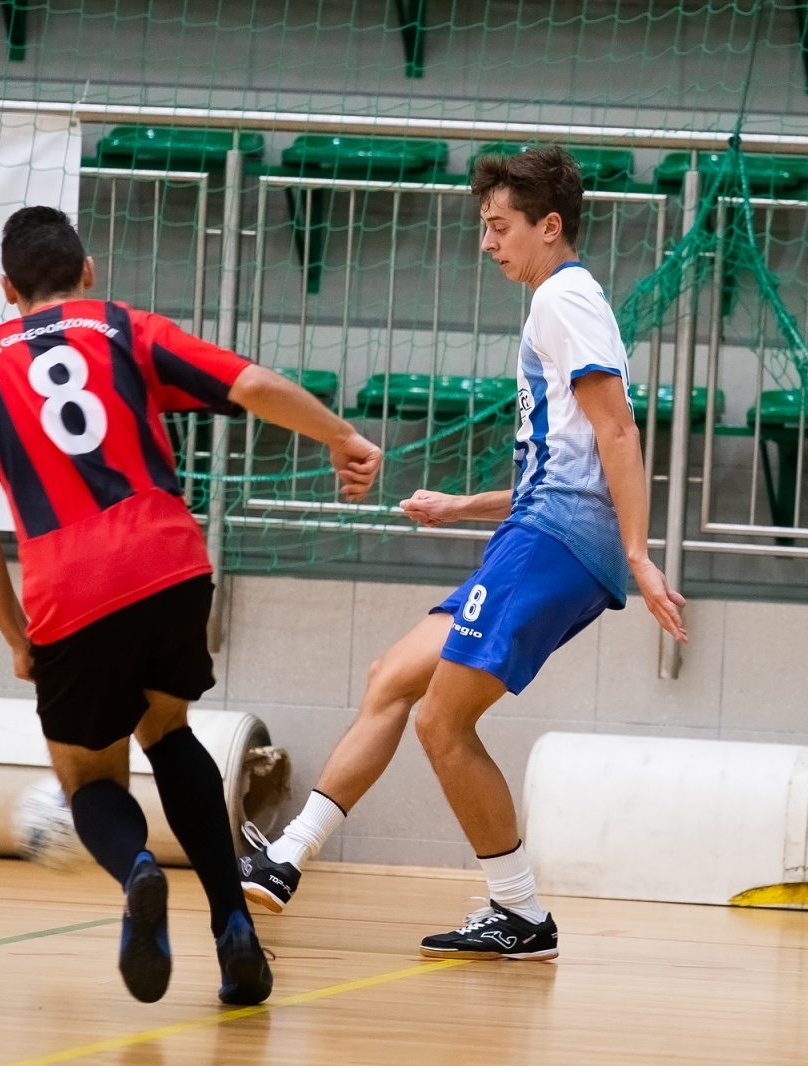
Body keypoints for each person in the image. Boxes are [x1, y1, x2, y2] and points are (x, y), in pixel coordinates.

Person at [240, 146, 688, 960]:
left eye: (500, 226)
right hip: (537, 532)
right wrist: (462, 505)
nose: (488, 243)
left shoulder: (565, 299)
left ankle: (518, 912)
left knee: (444, 722)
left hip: (553, 545)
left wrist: (640, 554)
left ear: (550, 227)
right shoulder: (559, 301)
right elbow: (568, 460)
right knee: (395, 678)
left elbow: (619, 432)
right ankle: (284, 859)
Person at [0, 207, 381, 1005]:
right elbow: (249, 384)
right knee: (168, 730)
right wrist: (339, 436)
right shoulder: (120, 327)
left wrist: (15, 636)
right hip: (167, 560)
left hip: (66, 586)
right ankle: (233, 929)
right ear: (87, 270)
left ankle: (138, 870)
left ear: (8, 289)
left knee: (87, 779)